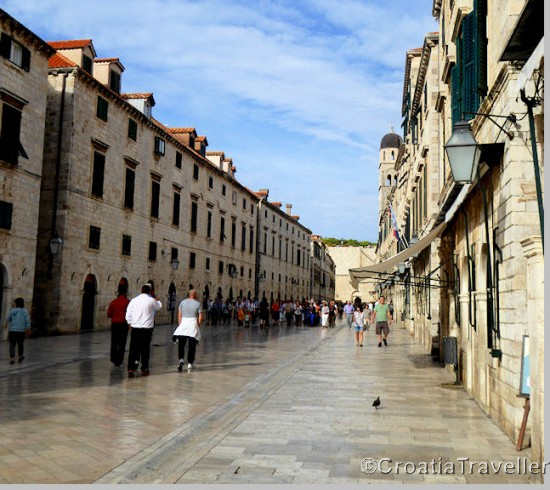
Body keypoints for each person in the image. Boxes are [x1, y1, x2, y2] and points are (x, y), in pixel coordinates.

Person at [125, 284, 162, 377]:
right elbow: (159, 306)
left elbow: (128, 314)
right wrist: (157, 298)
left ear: (141, 290)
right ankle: (144, 368)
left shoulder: (134, 300)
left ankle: (131, 368)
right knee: (145, 349)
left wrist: (130, 324)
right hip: (147, 329)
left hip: (135, 328)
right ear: (149, 291)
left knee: (133, 349)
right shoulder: (152, 300)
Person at [173, 289, 203, 372]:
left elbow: (179, 315)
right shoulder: (198, 303)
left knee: (181, 344)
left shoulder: (182, 302)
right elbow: (200, 317)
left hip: (183, 324)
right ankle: (190, 363)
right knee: (191, 346)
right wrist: (198, 325)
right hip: (192, 324)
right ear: (195, 295)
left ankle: (181, 360)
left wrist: (180, 326)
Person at [107, 283, 130, 367]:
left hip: (115, 324)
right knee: (122, 342)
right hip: (124, 324)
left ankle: (113, 359)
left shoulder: (113, 302)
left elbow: (109, 314)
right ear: (126, 292)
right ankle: (119, 361)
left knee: (114, 342)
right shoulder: (128, 302)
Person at [5, 298, 30, 364]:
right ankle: (20, 357)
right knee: (20, 344)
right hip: (21, 331)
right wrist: (28, 329)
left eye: (14, 302)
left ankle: (12, 358)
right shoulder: (25, 311)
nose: (13, 303)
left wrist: (6, 324)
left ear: (16, 303)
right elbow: (27, 320)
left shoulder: (12, 310)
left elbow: (8, 318)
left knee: (12, 344)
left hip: (12, 330)